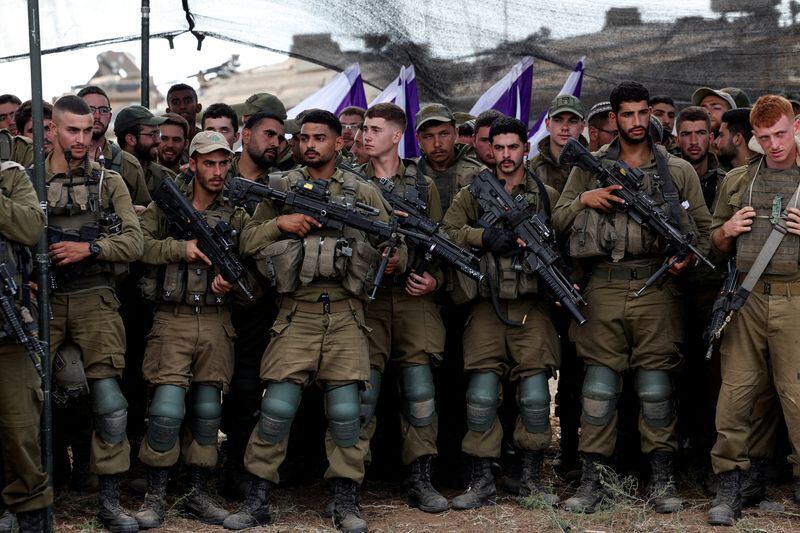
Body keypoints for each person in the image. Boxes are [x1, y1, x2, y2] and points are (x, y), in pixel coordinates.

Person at [224, 110, 398, 533]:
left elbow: (393, 242)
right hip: (295, 312)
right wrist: (279, 223)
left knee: (346, 411)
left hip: (346, 312)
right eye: (303, 138)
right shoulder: (279, 187)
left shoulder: (364, 191)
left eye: (320, 137)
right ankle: (258, 496)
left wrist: (391, 261)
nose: (310, 145)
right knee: (277, 407)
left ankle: (345, 499)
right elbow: (245, 239)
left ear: (340, 142)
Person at [553, 81, 711, 515]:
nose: (638, 122)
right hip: (602, 285)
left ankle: (661, 478)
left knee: (656, 387)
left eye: (644, 113)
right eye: (628, 115)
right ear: (614, 119)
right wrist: (587, 197)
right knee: (599, 388)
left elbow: (701, 231)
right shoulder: (588, 166)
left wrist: (687, 261)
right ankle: (592, 480)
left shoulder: (676, 170)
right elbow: (559, 217)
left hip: (657, 288)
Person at [443, 116, 561, 509]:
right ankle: (482, 479)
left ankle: (529, 477)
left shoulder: (546, 194)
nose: (507, 155)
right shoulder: (471, 194)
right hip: (486, 304)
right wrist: (484, 236)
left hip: (532, 306)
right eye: (500, 148)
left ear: (526, 148)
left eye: (514, 147)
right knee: (480, 395)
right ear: (490, 150)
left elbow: (563, 244)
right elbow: (447, 234)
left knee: (533, 396)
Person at [133, 131, 250, 528]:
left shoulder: (237, 211)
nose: (217, 171)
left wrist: (231, 282)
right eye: (209, 163)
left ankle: (197, 493)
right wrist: (178, 249)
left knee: (206, 411)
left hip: (217, 320)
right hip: (173, 318)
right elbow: (137, 244)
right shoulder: (166, 206)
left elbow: (256, 265)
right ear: (193, 164)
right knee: (166, 410)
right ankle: (156, 494)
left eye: (223, 163)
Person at [46, 95, 143, 532]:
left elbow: (135, 243)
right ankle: (26, 499)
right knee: (27, 402)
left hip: (95, 296)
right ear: (52, 129)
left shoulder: (109, 183)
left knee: (109, 403)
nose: (82, 139)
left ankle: (109, 500)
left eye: (88, 131)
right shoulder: (25, 181)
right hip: (42, 301)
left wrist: (91, 247)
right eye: (72, 131)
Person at [707, 95, 800, 526]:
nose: (775, 144)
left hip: (795, 298)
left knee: (796, 397)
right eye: (765, 138)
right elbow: (716, 242)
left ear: (795, 125)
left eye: (780, 133)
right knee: (736, 396)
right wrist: (726, 230)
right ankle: (731, 482)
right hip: (745, 298)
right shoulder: (739, 180)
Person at [357, 102, 448, 513]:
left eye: (375, 129)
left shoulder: (422, 184)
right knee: (361, 392)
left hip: (412, 299)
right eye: (364, 128)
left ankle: (421, 478)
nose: (365, 135)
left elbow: (441, 245)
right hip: (367, 300)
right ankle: (351, 478)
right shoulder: (351, 181)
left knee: (420, 392)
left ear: (397, 136)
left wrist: (429, 277)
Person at [0, 160, 51, 531]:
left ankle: (29, 512)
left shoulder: (9, 175)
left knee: (20, 430)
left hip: (8, 331)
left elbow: (31, 226)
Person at [77, 86, 150, 207]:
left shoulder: (128, 164)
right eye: (90, 109)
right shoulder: (59, 160)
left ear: (110, 117)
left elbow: (146, 214)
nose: (97, 116)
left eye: (103, 110)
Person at [415, 103, 485, 212]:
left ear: (455, 133)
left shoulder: (478, 173)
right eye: (428, 137)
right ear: (418, 139)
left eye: (444, 134)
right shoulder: (410, 173)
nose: (437, 144)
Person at [527, 94, 586, 193]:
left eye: (573, 121)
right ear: (547, 124)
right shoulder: (531, 169)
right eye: (558, 120)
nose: (565, 128)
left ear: (582, 126)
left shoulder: (596, 167)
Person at [114, 105, 175, 198]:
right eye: (152, 134)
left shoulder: (164, 176)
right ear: (131, 139)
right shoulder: (112, 175)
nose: (158, 140)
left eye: (158, 133)